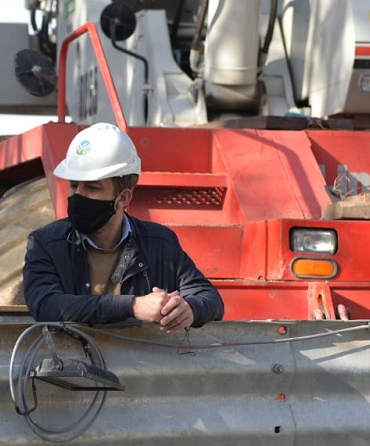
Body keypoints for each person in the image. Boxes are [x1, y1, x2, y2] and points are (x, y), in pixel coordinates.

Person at [22, 123, 224, 332]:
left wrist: (189, 309)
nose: (77, 195)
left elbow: (210, 298)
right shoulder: (45, 244)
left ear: (123, 198)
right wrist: (133, 305)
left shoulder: (160, 243)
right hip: (71, 362)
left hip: (141, 363)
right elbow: (47, 306)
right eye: (74, 185)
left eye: (92, 187)